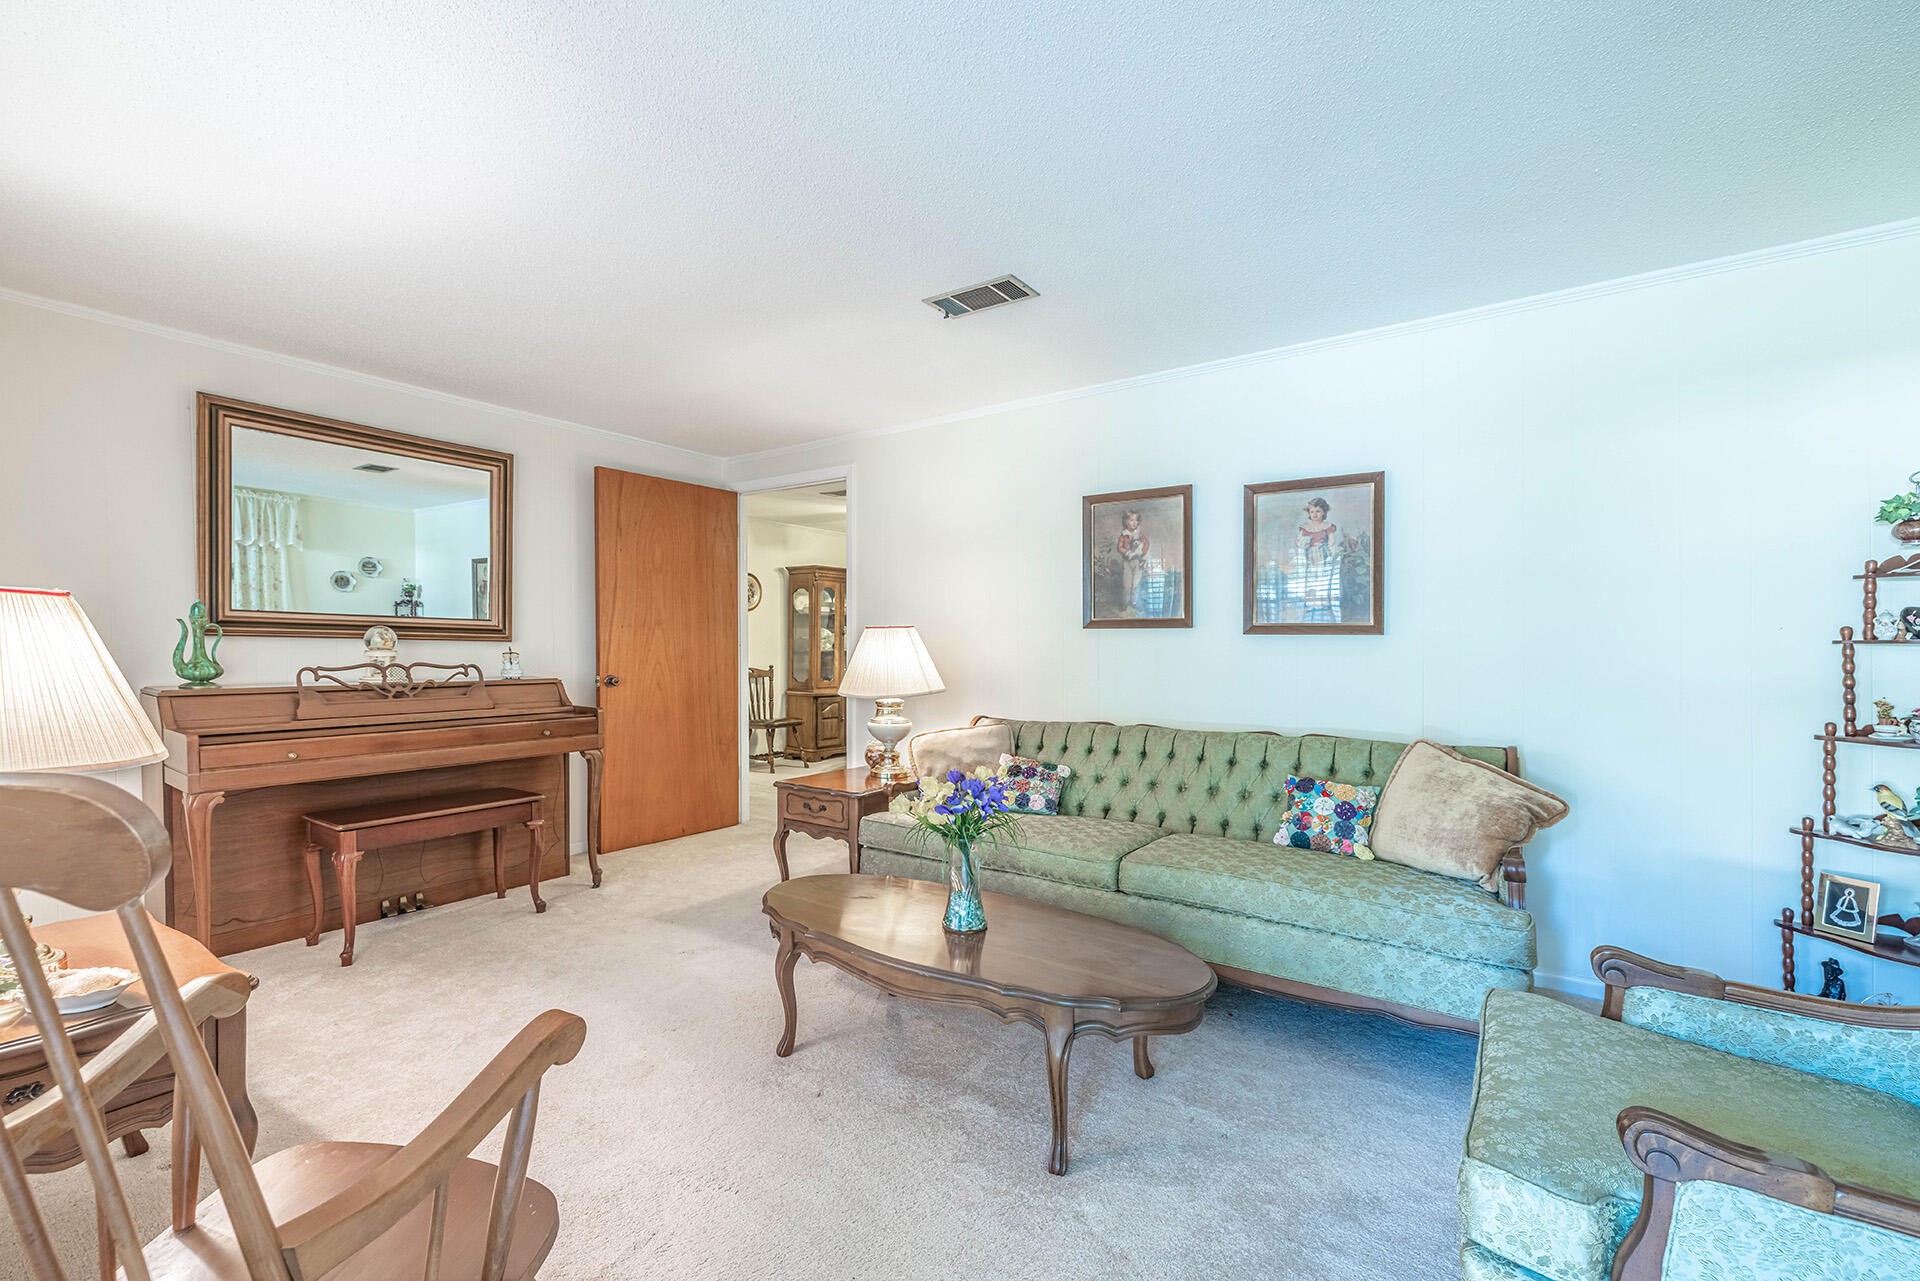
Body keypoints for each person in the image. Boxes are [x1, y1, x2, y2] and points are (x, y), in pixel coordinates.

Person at [1116, 510, 1149, 616]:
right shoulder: (1123, 535)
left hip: (1138, 561)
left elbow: (1146, 544)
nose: (1134, 523)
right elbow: (1119, 547)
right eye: (1131, 520)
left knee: (1136, 583)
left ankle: (1134, 602)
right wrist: (1128, 552)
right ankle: (1124, 603)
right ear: (1126, 522)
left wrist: (1142, 553)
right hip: (1127, 561)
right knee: (1126, 583)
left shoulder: (1140, 534)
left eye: (1136, 520)